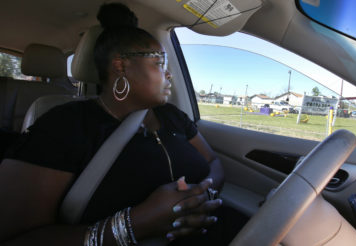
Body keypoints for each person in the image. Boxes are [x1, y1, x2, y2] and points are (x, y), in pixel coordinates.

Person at [0, 3, 248, 246]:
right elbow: (17, 237)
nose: (169, 73)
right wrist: (134, 224)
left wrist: (203, 193)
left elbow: (213, 163)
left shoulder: (173, 116)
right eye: (159, 63)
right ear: (121, 65)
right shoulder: (64, 125)